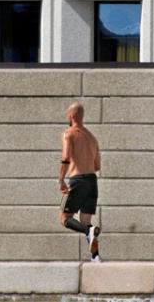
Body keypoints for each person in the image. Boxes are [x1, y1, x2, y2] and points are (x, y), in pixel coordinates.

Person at [58, 102, 102, 263]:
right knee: (87, 222)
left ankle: (88, 233)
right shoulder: (92, 138)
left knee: (64, 219)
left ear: (72, 116)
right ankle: (95, 256)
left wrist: (61, 180)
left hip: (78, 179)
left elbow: (66, 158)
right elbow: (97, 166)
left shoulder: (68, 134)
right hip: (92, 180)